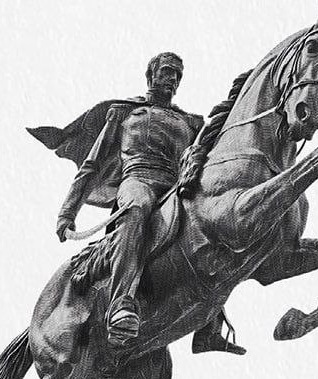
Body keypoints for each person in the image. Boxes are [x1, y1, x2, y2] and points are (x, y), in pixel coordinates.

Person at [28, 52, 245, 355]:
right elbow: (91, 166)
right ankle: (121, 303)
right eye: (167, 71)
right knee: (136, 211)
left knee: (213, 221)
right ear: (151, 75)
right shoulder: (125, 113)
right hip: (137, 180)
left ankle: (209, 328)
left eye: (178, 75)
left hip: (175, 184)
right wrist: (67, 213)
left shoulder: (189, 122)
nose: (173, 79)